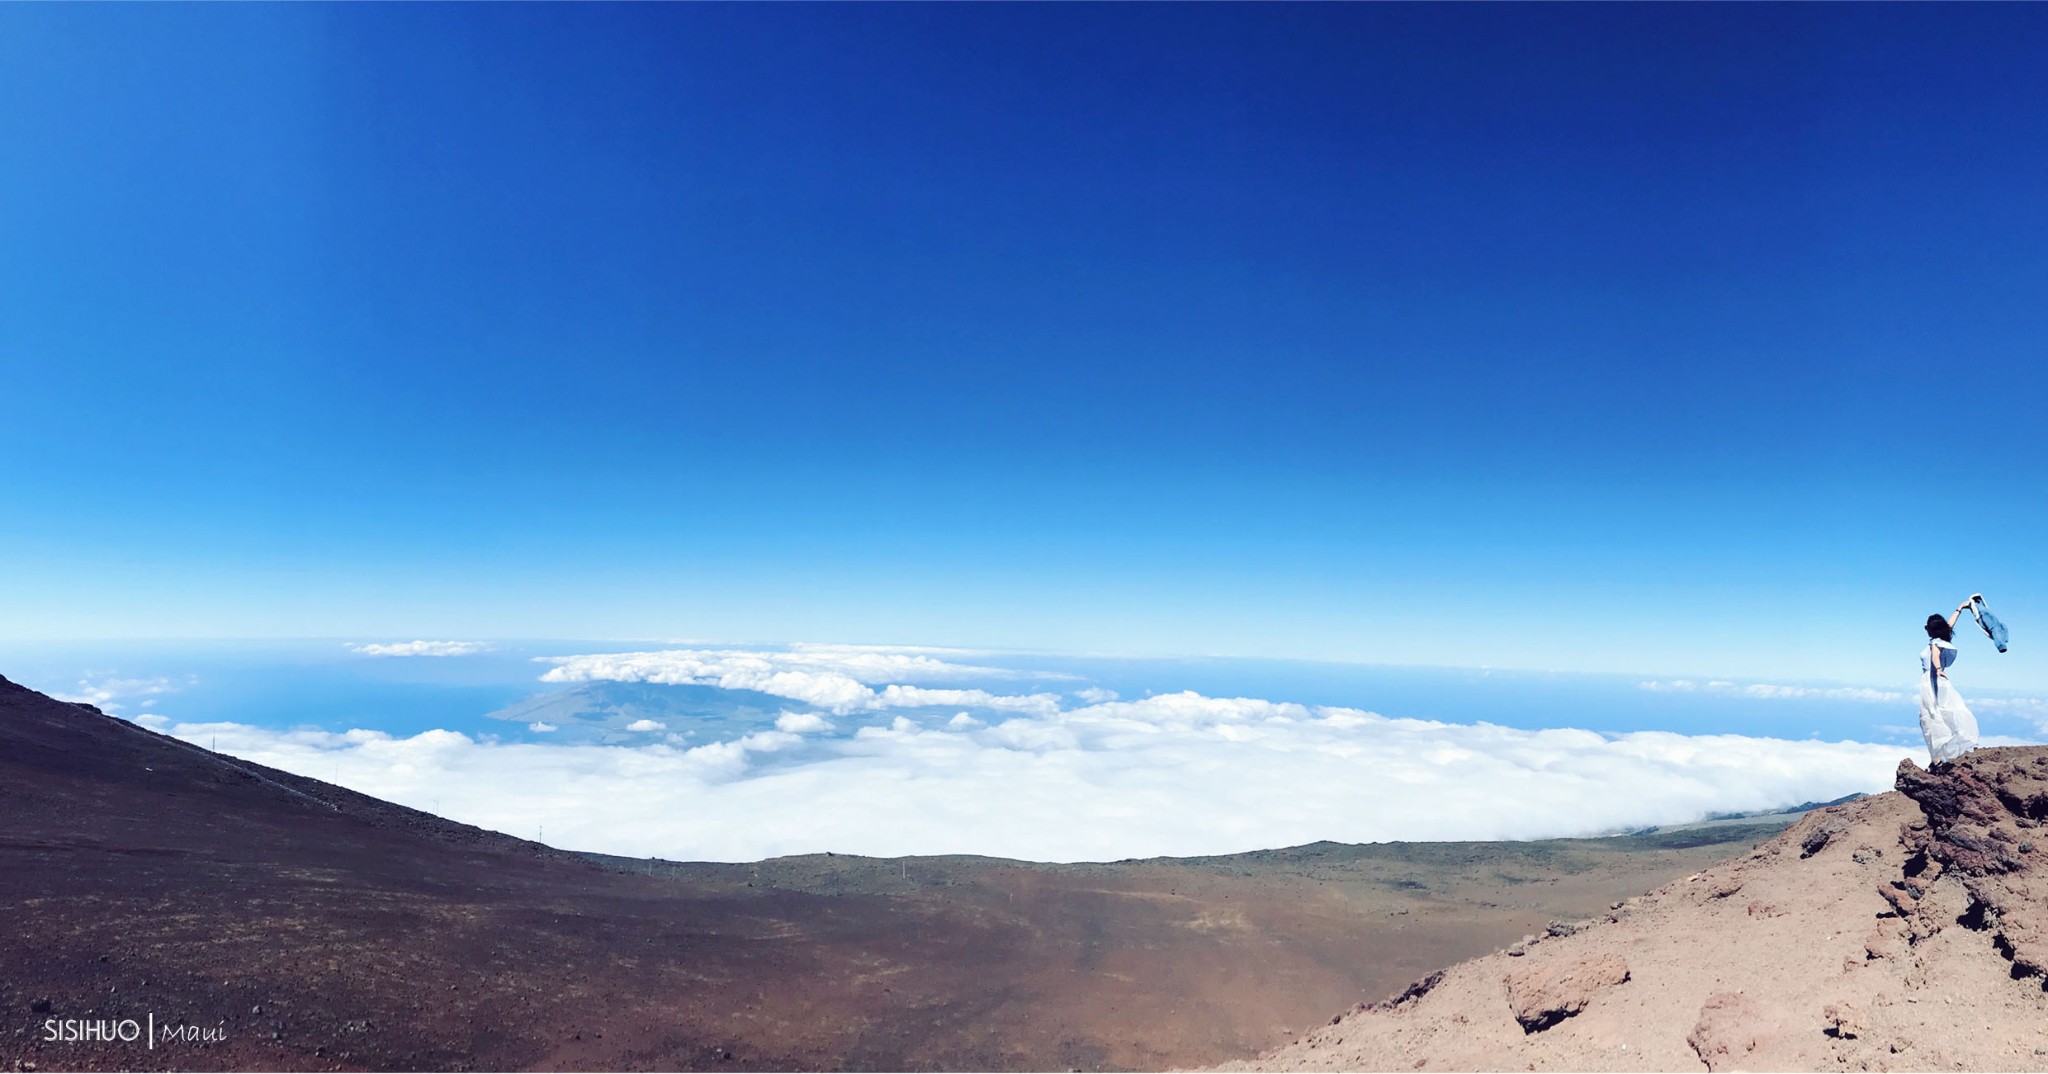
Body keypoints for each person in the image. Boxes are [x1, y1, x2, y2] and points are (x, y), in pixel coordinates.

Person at [1919, 598, 1981, 765]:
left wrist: (1938, 670)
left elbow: (1935, 656)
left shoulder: (1934, 643)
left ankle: (1938, 758)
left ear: (1930, 630)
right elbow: (1949, 626)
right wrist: (1961, 607)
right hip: (1939, 682)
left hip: (1931, 682)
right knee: (1942, 716)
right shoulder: (1942, 640)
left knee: (1931, 719)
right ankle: (1943, 756)